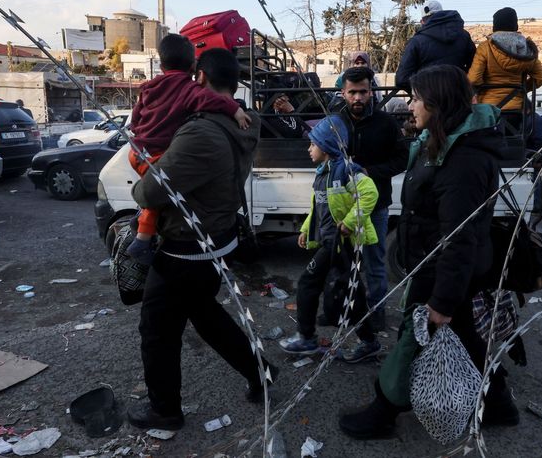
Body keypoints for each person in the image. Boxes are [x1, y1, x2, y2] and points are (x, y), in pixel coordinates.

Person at [339, 65, 518, 440]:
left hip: (442, 270)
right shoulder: (442, 142)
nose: (411, 105)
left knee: (412, 337)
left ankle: (383, 411)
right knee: (468, 337)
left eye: (417, 98)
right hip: (440, 265)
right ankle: (499, 403)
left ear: (438, 104)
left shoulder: (464, 159)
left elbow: (460, 236)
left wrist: (442, 301)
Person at [127, 48, 274, 431]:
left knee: (157, 330)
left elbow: (148, 194)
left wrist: (147, 158)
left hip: (185, 250)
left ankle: (165, 410)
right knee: (205, 314)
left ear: (201, 79)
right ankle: (261, 372)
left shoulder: (200, 132)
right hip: (218, 238)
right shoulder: (245, 121)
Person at [126, 33, 251, 265]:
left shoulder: (150, 89)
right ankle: (143, 233)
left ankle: (142, 237)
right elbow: (212, 101)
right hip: (219, 231)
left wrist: (140, 133)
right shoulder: (246, 126)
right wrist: (235, 110)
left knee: (151, 195)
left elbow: (148, 193)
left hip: (187, 245)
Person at [279, 115, 382, 362]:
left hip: (342, 244)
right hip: (329, 242)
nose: (308, 148)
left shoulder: (346, 170)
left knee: (308, 283)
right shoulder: (322, 173)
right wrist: (305, 229)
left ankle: (307, 338)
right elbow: (318, 208)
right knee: (350, 293)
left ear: (325, 146)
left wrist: (348, 223)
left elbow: (370, 193)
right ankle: (368, 342)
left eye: (312, 144)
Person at [338, 66, 408, 331]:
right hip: (342, 207)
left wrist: (371, 172)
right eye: (352, 92)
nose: (358, 98)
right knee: (342, 262)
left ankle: (376, 314)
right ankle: (345, 311)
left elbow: (402, 159)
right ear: (343, 92)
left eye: (363, 92)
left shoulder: (386, 123)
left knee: (374, 263)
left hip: (375, 207)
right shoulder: (335, 122)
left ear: (371, 91)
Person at [467, 7, 542, 111]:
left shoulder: (485, 47)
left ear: (495, 26)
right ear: (515, 25)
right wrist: (520, 90)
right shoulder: (527, 49)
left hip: (489, 108)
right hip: (517, 108)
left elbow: (474, 79)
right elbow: (540, 78)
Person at [395, 1, 476, 92]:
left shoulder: (417, 41)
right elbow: (475, 67)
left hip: (430, 101)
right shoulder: (464, 36)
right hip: (459, 98)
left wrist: (427, 88)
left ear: (422, 21)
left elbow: (402, 79)